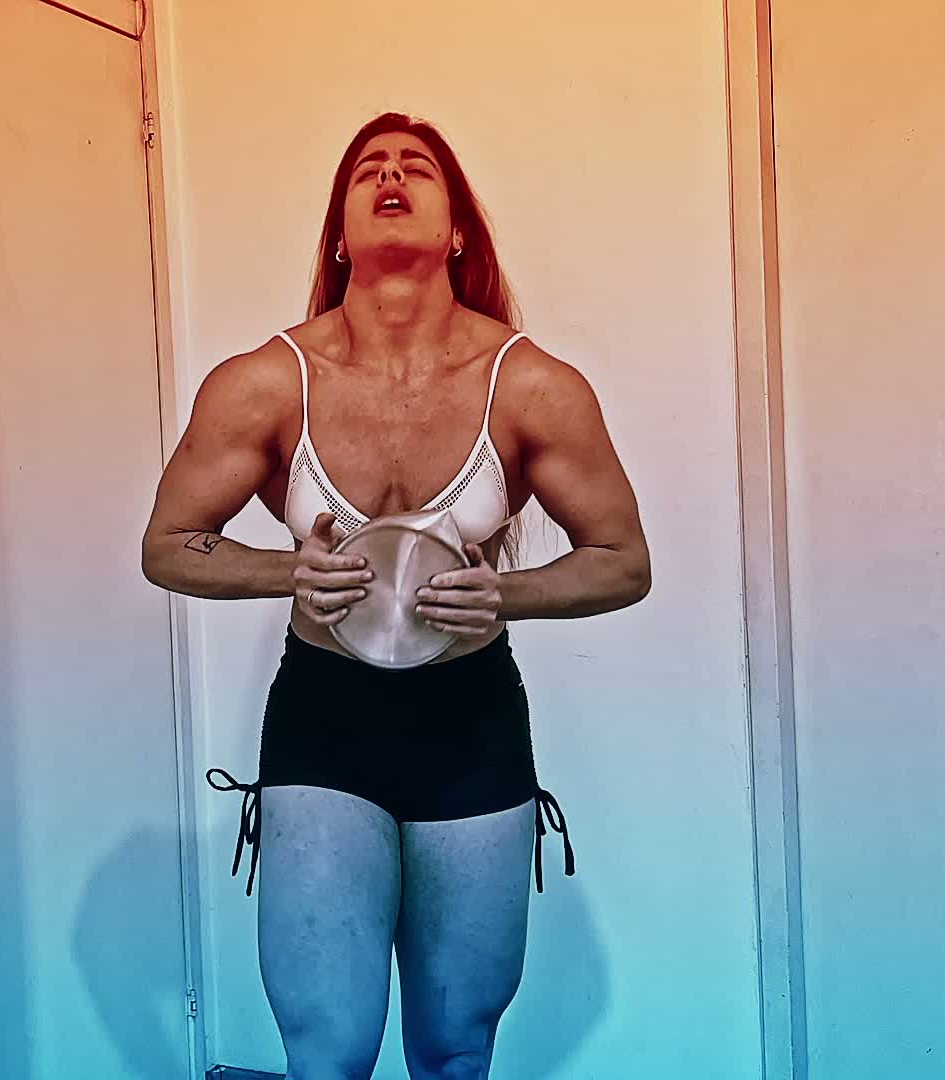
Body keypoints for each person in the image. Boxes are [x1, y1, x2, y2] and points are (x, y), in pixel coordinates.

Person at [141, 111, 651, 1080]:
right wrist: (286, 571)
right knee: (328, 1052)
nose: (390, 177)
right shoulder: (266, 383)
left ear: (455, 229)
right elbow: (166, 545)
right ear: (339, 234)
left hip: (471, 723)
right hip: (325, 722)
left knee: (455, 1051)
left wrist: (508, 596)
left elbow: (624, 559)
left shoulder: (530, 386)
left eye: (416, 167)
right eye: (368, 168)